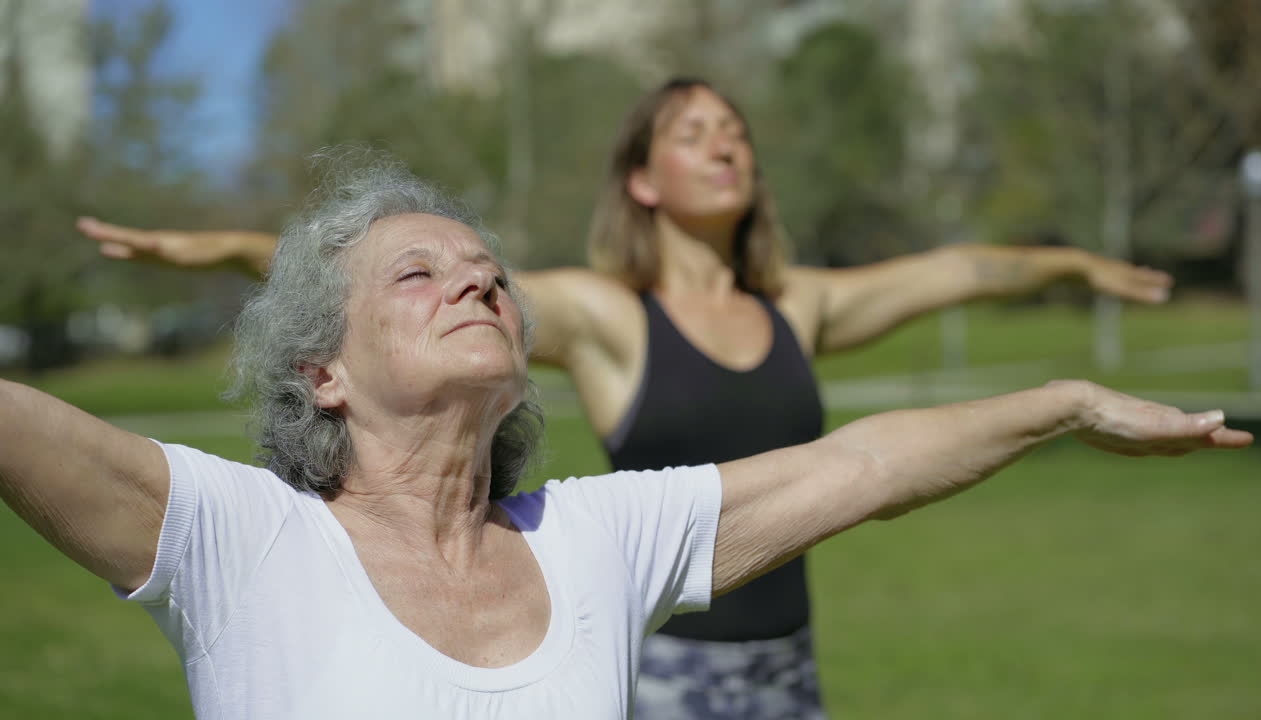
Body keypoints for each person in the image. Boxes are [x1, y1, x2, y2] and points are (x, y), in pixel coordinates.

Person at [76, 79, 1176, 718]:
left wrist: (1069, 268)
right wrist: (201, 249)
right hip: (657, 662)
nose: (725, 145)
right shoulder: (602, 312)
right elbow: (376, 291)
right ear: (642, 179)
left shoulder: (803, 305)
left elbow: (961, 276)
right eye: (693, 134)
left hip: (786, 659)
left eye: (734, 133)